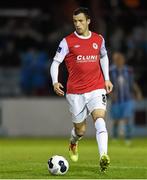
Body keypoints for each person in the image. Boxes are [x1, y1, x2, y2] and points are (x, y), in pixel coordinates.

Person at [50, 7, 113, 172]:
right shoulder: (67, 41)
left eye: (81, 21)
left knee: (100, 119)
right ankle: (73, 142)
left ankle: (103, 157)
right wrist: (55, 81)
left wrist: (106, 78)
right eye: (75, 21)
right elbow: (56, 62)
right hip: (75, 92)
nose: (77, 24)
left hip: (96, 87)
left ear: (88, 21)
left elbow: (104, 56)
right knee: (80, 130)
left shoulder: (98, 39)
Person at [109, 52, 142, 143]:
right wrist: (111, 94)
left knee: (127, 118)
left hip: (127, 99)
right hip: (116, 100)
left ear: (123, 60)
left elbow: (132, 83)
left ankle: (128, 138)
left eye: (120, 59)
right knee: (116, 120)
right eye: (116, 59)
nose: (118, 61)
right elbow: (107, 85)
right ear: (114, 60)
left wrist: (138, 92)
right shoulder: (110, 71)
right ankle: (115, 137)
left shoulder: (128, 70)